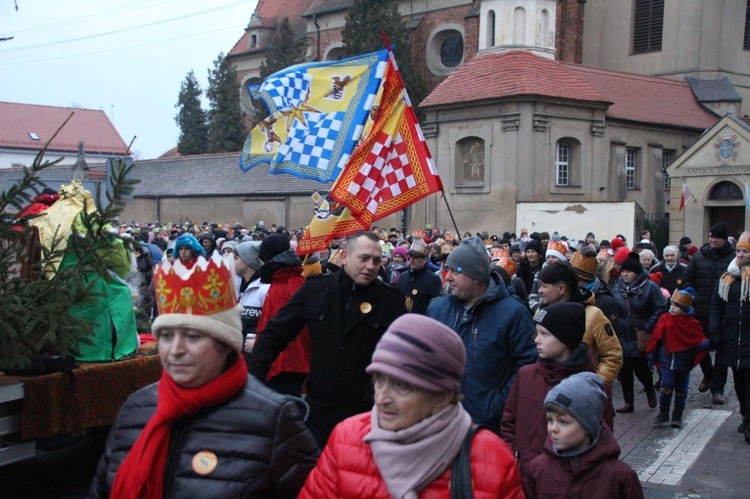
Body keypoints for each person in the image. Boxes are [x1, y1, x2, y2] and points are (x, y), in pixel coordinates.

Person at [90, 252, 319, 498]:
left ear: (225, 344)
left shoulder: (273, 420)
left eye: (193, 336)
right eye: (166, 336)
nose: (175, 350)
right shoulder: (136, 408)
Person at [298, 314, 524, 498]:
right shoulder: (347, 438)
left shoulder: (493, 460)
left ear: (443, 397)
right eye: (379, 380)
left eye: (402, 387)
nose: (381, 398)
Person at [247, 231, 407, 447]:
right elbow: (275, 334)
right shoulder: (316, 290)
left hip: (368, 414)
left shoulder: (391, 301)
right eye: (364, 258)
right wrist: (253, 381)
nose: (370, 266)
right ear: (344, 256)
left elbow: (405, 357)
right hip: (320, 413)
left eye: (376, 261)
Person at [427, 236, 537, 432]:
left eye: (455, 271)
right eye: (447, 270)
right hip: (440, 423)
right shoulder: (437, 308)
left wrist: (497, 405)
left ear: (476, 276)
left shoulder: (513, 313)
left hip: (488, 426)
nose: (448, 277)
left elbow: (527, 365)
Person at [501, 302, 611, 473]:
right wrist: (512, 459)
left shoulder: (594, 387)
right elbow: (509, 422)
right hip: (526, 473)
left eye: (545, 334)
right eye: (537, 332)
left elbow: (604, 438)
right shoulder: (525, 376)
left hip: (571, 478)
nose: (537, 339)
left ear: (565, 339)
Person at [522, 372, 644, 499]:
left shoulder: (620, 476)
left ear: (587, 425)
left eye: (563, 422)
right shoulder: (537, 469)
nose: (553, 428)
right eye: (550, 420)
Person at [535, 260, 623, 385]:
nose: (539, 290)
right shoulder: (541, 313)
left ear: (561, 289)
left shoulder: (593, 314)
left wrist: (595, 384)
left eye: (544, 286)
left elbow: (613, 355)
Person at [254, 234, 311, 397]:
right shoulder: (292, 281)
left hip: (282, 364)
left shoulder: (283, 285)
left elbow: (277, 327)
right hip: (287, 362)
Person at [685, 222, 735, 402]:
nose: (713, 240)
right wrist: (691, 297)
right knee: (700, 346)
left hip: (724, 313)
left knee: (722, 352)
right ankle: (708, 373)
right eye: (711, 236)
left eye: (717, 237)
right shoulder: (699, 257)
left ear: (724, 239)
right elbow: (687, 279)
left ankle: (717, 389)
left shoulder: (733, 259)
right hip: (700, 310)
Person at [610, 252, 667, 413]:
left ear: (636, 272)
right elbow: (613, 305)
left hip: (640, 334)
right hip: (622, 333)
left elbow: (661, 307)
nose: (625, 274)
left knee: (641, 368)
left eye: (628, 271)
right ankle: (629, 402)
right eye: (623, 272)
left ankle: (649, 389)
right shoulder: (617, 287)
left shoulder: (650, 287)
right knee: (625, 370)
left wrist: (648, 325)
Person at [647, 288, 708, 428]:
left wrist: (709, 343)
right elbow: (656, 338)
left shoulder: (692, 324)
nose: (672, 308)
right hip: (667, 359)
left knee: (681, 389)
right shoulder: (665, 319)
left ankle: (677, 415)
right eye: (671, 305)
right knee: (666, 385)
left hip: (684, 361)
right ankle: (663, 413)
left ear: (685, 309)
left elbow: (698, 341)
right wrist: (651, 357)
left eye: (676, 306)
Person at [710, 231, 750, 439]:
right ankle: (745, 416)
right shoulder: (728, 277)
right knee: (738, 381)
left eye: (745, 251)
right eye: (739, 251)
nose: (741, 255)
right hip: (732, 337)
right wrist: (715, 330)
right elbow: (716, 305)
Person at [234, 241, 269, 353]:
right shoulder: (238, 286)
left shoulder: (264, 288)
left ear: (248, 261)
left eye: (236, 258)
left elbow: (271, 322)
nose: (232, 262)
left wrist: (258, 342)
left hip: (256, 355)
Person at [397, 238, 442, 314]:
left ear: (424, 259)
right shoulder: (403, 277)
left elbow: (435, 309)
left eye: (415, 257)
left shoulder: (433, 280)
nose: (411, 260)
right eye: (410, 256)